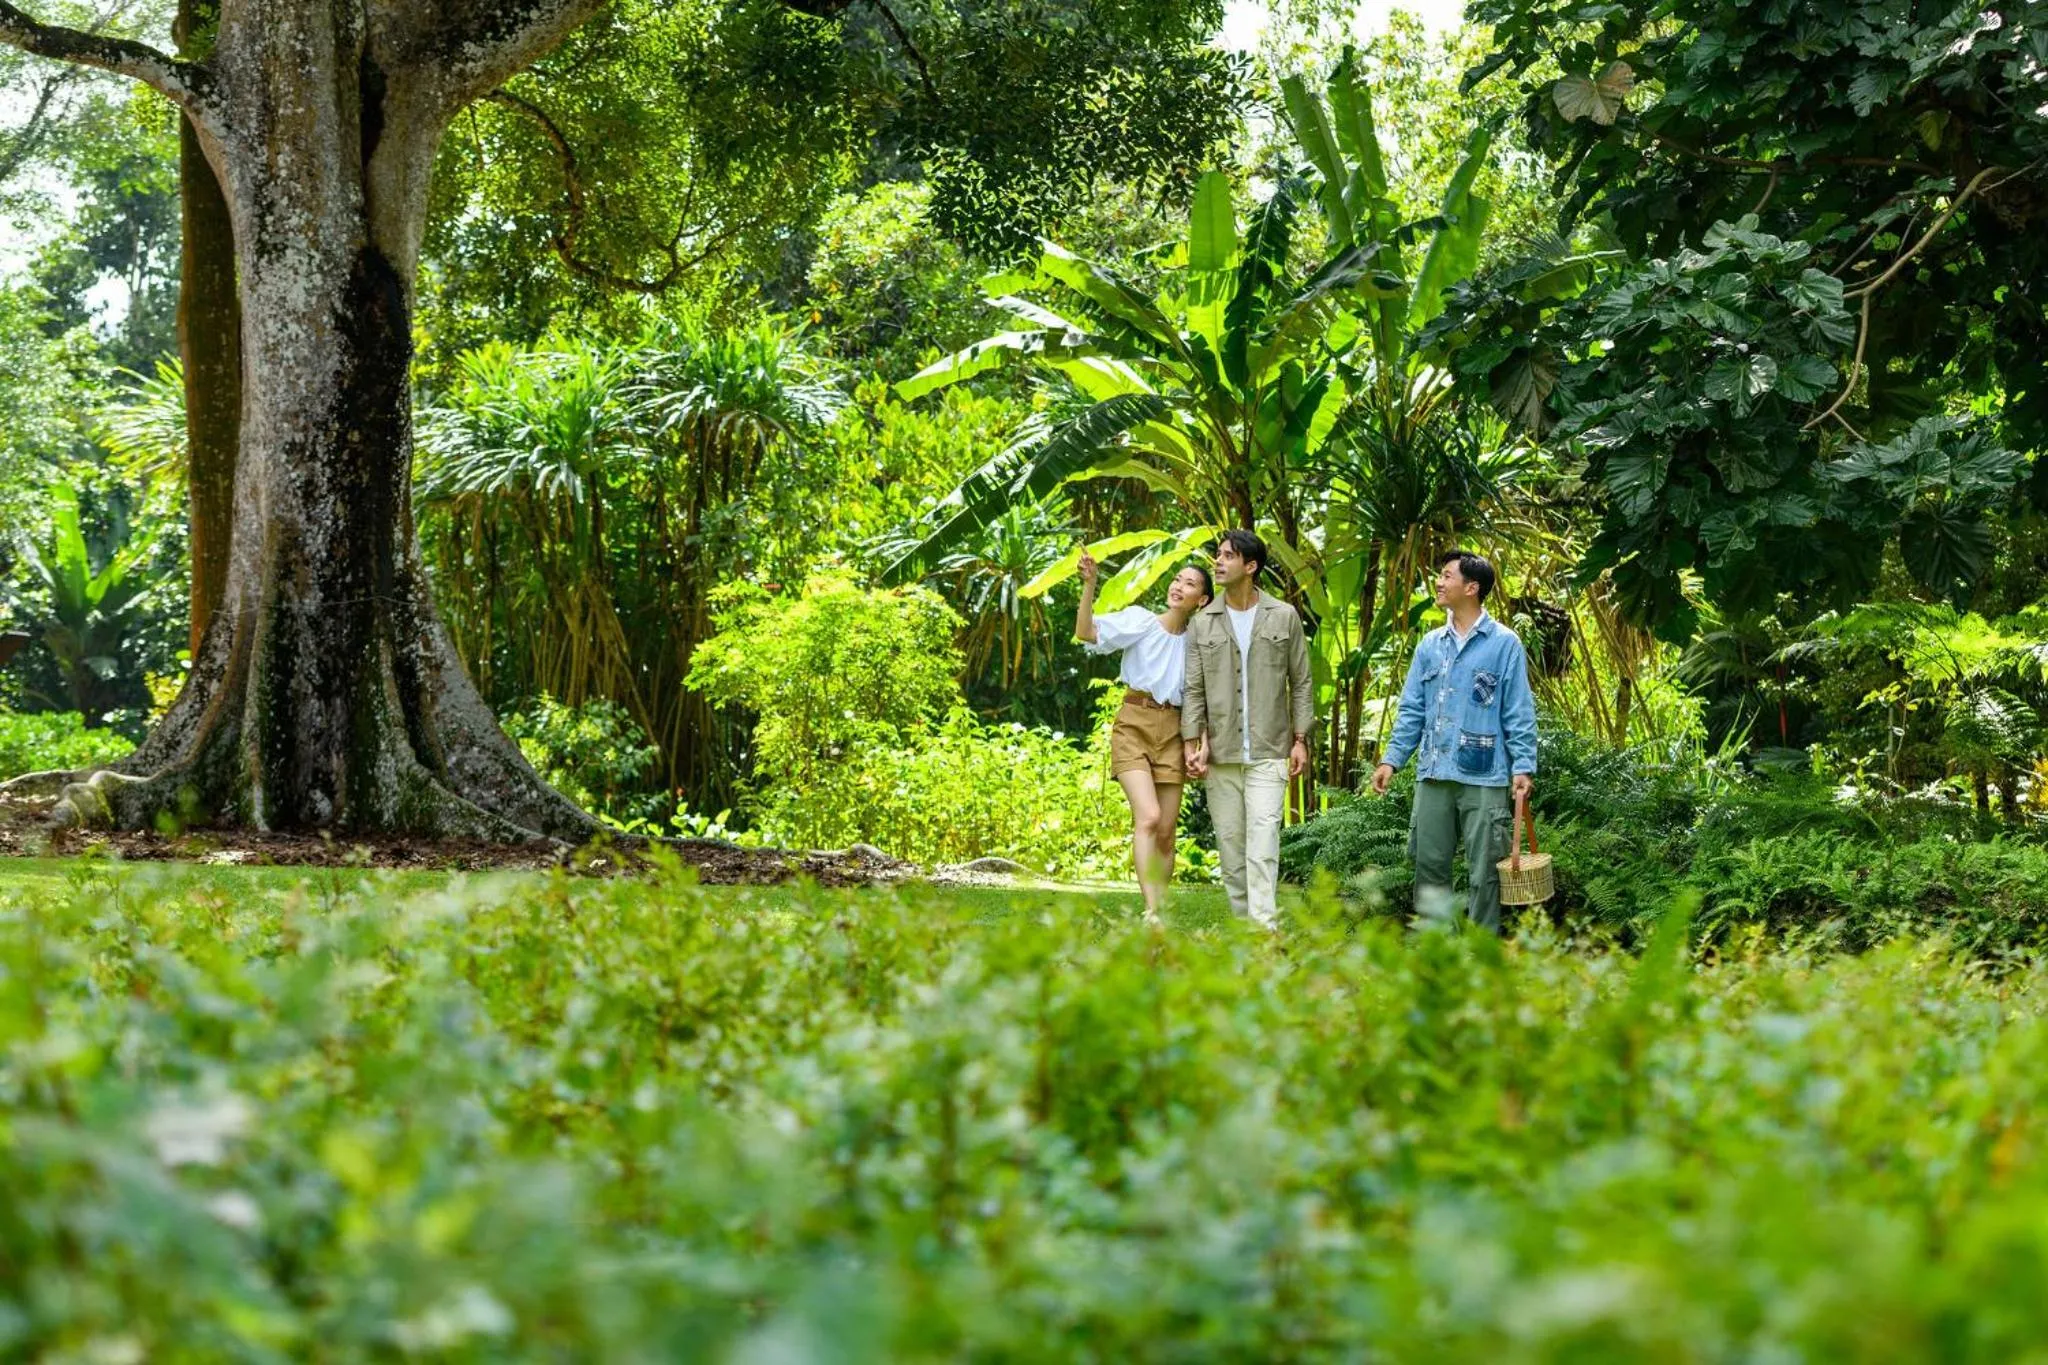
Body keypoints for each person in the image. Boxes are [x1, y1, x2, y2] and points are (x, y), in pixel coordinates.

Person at [1371, 550, 1538, 933]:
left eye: (1447, 576)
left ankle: (1481, 949)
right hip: (1433, 773)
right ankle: (1435, 949)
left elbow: (1518, 710)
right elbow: (1412, 709)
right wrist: (1391, 760)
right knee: (1429, 867)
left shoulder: (1504, 644)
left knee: (1485, 871)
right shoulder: (1429, 645)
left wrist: (1523, 766)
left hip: (1485, 775)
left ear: (1472, 587)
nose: (1439, 582)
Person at [1180, 529, 1313, 929]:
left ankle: (1263, 930)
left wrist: (1300, 739)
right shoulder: (1202, 623)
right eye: (1218, 555)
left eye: (1227, 556)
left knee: (1263, 842)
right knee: (1231, 849)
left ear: (1250, 566)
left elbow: (1301, 681)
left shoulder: (1284, 616)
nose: (1218, 562)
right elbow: (1194, 688)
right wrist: (1192, 742)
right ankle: (1244, 929)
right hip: (1220, 753)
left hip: (1270, 749)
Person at [1075, 548, 1214, 919]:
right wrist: (1090, 585)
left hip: (1175, 731)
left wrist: (1200, 743)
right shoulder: (1141, 622)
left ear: (1201, 600)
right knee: (1149, 817)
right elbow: (1086, 632)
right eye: (1177, 579)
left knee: (1166, 831)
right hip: (1134, 724)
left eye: (1190, 584)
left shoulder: (1198, 644)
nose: (1178, 586)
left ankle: (1158, 908)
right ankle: (1152, 911)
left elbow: (1202, 698)